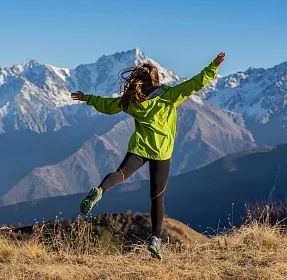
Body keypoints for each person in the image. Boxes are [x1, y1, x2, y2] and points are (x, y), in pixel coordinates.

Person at [71, 52, 226, 259]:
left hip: (139, 148)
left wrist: (88, 98)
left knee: (120, 173)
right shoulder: (168, 95)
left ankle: (99, 190)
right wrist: (213, 66)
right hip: (161, 153)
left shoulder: (132, 101)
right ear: (156, 79)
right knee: (157, 197)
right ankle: (155, 239)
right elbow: (194, 84)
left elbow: (108, 106)